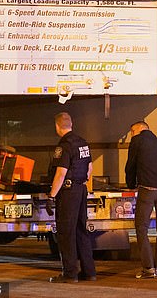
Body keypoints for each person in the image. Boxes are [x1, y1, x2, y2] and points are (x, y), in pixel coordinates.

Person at [47, 112, 96, 283]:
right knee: (81, 231)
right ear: (71, 124)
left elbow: (61, 173)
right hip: (81, 190)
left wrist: (52, 196)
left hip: (68, 193)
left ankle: (70, 274)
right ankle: (89, 272)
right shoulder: (83, 143)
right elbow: (90, 168)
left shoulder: (64, 146)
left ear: (57, 126)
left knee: (66, 233)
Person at [125, 120, 157, 279]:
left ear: (137, 129)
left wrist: (131, 184)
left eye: (132, 131)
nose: (131, 135)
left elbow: (131, 165)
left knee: (141, 227)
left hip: (147, 190)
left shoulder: (137, 141)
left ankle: (148, 268)